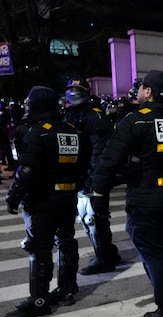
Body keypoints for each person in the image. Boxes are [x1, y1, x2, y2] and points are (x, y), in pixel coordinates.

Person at [89, 70, 163, 317]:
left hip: (146, 197)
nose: (138, 90)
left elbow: (109, 160)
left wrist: (98, 192)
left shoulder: (135, 120)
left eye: (141, 86)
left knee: (156, 255)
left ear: (149, 91)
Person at [4, 87, 92, 317]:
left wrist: (13, 197)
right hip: (68, 196)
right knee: (66, 241)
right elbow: (85, 165)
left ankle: (39, 300)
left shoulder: (37, 132)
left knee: (39, 247)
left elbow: (27, 170)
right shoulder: (73, 131)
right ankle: (67, 289)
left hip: (42, 199)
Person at [63, 78, 123, 276]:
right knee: (91, 218)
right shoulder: (71, 113)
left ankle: (104, 259)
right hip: (80, 173)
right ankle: (110, 253)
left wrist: (93, 180)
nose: (73, 93)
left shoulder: (95, 116)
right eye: (70, 89)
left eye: (77, 90)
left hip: (93, 174)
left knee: (94, 218)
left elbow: (101, 151)